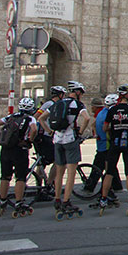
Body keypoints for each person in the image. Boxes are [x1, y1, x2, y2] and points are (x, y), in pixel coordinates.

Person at [39, 80, 90, 218]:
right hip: (70, 140)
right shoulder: (78, 104)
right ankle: (66, 201)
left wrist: (49, 132)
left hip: (57, 139)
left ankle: (57, 199)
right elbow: (86, 118)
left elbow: (41, 118)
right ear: (78, 92)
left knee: (59, 171)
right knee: (71, 173)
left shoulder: (58, 103)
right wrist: (80, 132)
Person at [98, 84, 128, 216]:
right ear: (127, 96)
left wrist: (115, 126)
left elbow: (105, 128)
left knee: (109, 172)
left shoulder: (112, 110)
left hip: (114, 143)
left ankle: (103, 199)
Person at [0, 97, 38, 216]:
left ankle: (3, 200)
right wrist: (30, 140)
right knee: (20, 177)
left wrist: (0, 137)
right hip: (19, 149)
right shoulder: (30, 118)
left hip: (6, 149)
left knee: (5, 176)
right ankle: (19, 202)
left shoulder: (11, 116)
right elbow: (34, 129)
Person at [83, 93, 121, 198]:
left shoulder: (102, 113)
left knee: (107, 165)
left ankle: (116, 186)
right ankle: (93, 187)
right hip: (106, 143)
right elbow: (107, 127)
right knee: (102, 165)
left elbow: (95, 125)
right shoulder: (109, 113)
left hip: (102, 143)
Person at [34, 85, 65, 195]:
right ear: (60, 95)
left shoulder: (55, 104)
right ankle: (49, 184)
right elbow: (36, 116)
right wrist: (48, 130)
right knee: (57, 161)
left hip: (47, 137)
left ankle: (41, 187)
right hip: (45, 137)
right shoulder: (50, 104)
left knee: (42, 163)